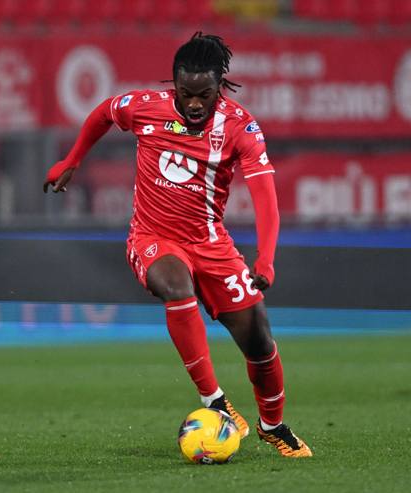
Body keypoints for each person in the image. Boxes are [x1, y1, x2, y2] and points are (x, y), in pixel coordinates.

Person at [43, 32, 311, 458]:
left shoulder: (240, 127)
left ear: (220, 87)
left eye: (204, 95)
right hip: (152, 237)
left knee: (259, 340)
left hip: (210, 242)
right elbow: (103, 113)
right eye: (186, 94)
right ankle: (215, 401)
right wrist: (72, 159)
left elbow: (265, 195)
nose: (194, 105)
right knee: (174, 282)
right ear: (174, 86)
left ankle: (272, 426)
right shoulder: (145, 108)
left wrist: (266, 257)